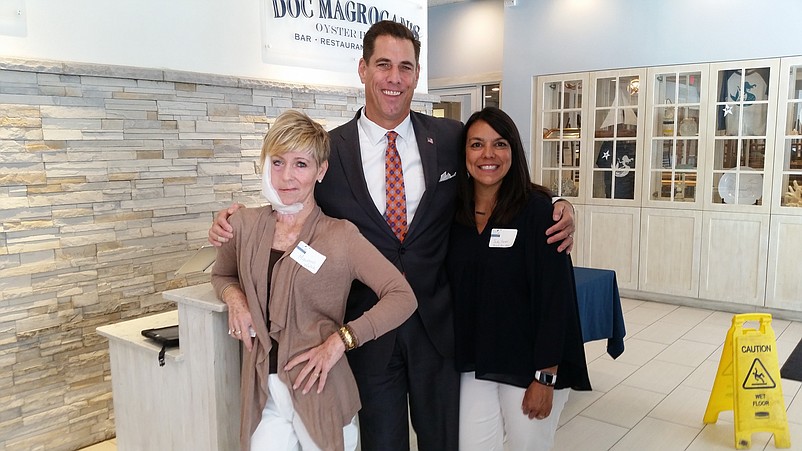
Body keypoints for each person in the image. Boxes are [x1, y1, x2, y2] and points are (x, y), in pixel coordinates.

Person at [208, 21, 576, 451]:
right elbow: (288, 198)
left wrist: (559, 203)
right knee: (382, 443)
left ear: (417, 74)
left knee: (443, 440)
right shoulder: (330, 150)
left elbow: (495, 171)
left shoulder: (452, 139)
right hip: (367, 331)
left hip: (439, 329)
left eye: (406, 66)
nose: (395, 78)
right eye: (383, 64)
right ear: (363, 69)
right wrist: (233, 219)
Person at [210, 109, 417, 451]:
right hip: (264, 392)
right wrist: (236, 299)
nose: (286, 176)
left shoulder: (341, 236)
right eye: (277, 162)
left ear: (320, 171)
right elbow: (222, 274)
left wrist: (341, 340)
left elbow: (402, 296)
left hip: (320, 392)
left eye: (300, 164)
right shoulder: (244, 225)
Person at [447, 107, 591, 451]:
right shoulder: (453, 213)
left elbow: (556, 299)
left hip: (529, 365)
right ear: (463, 153)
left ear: (513, 150)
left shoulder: (540, 212)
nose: (488, 155)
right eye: (476, 145)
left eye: (499, 144)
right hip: (474, 361)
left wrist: (546, 376)